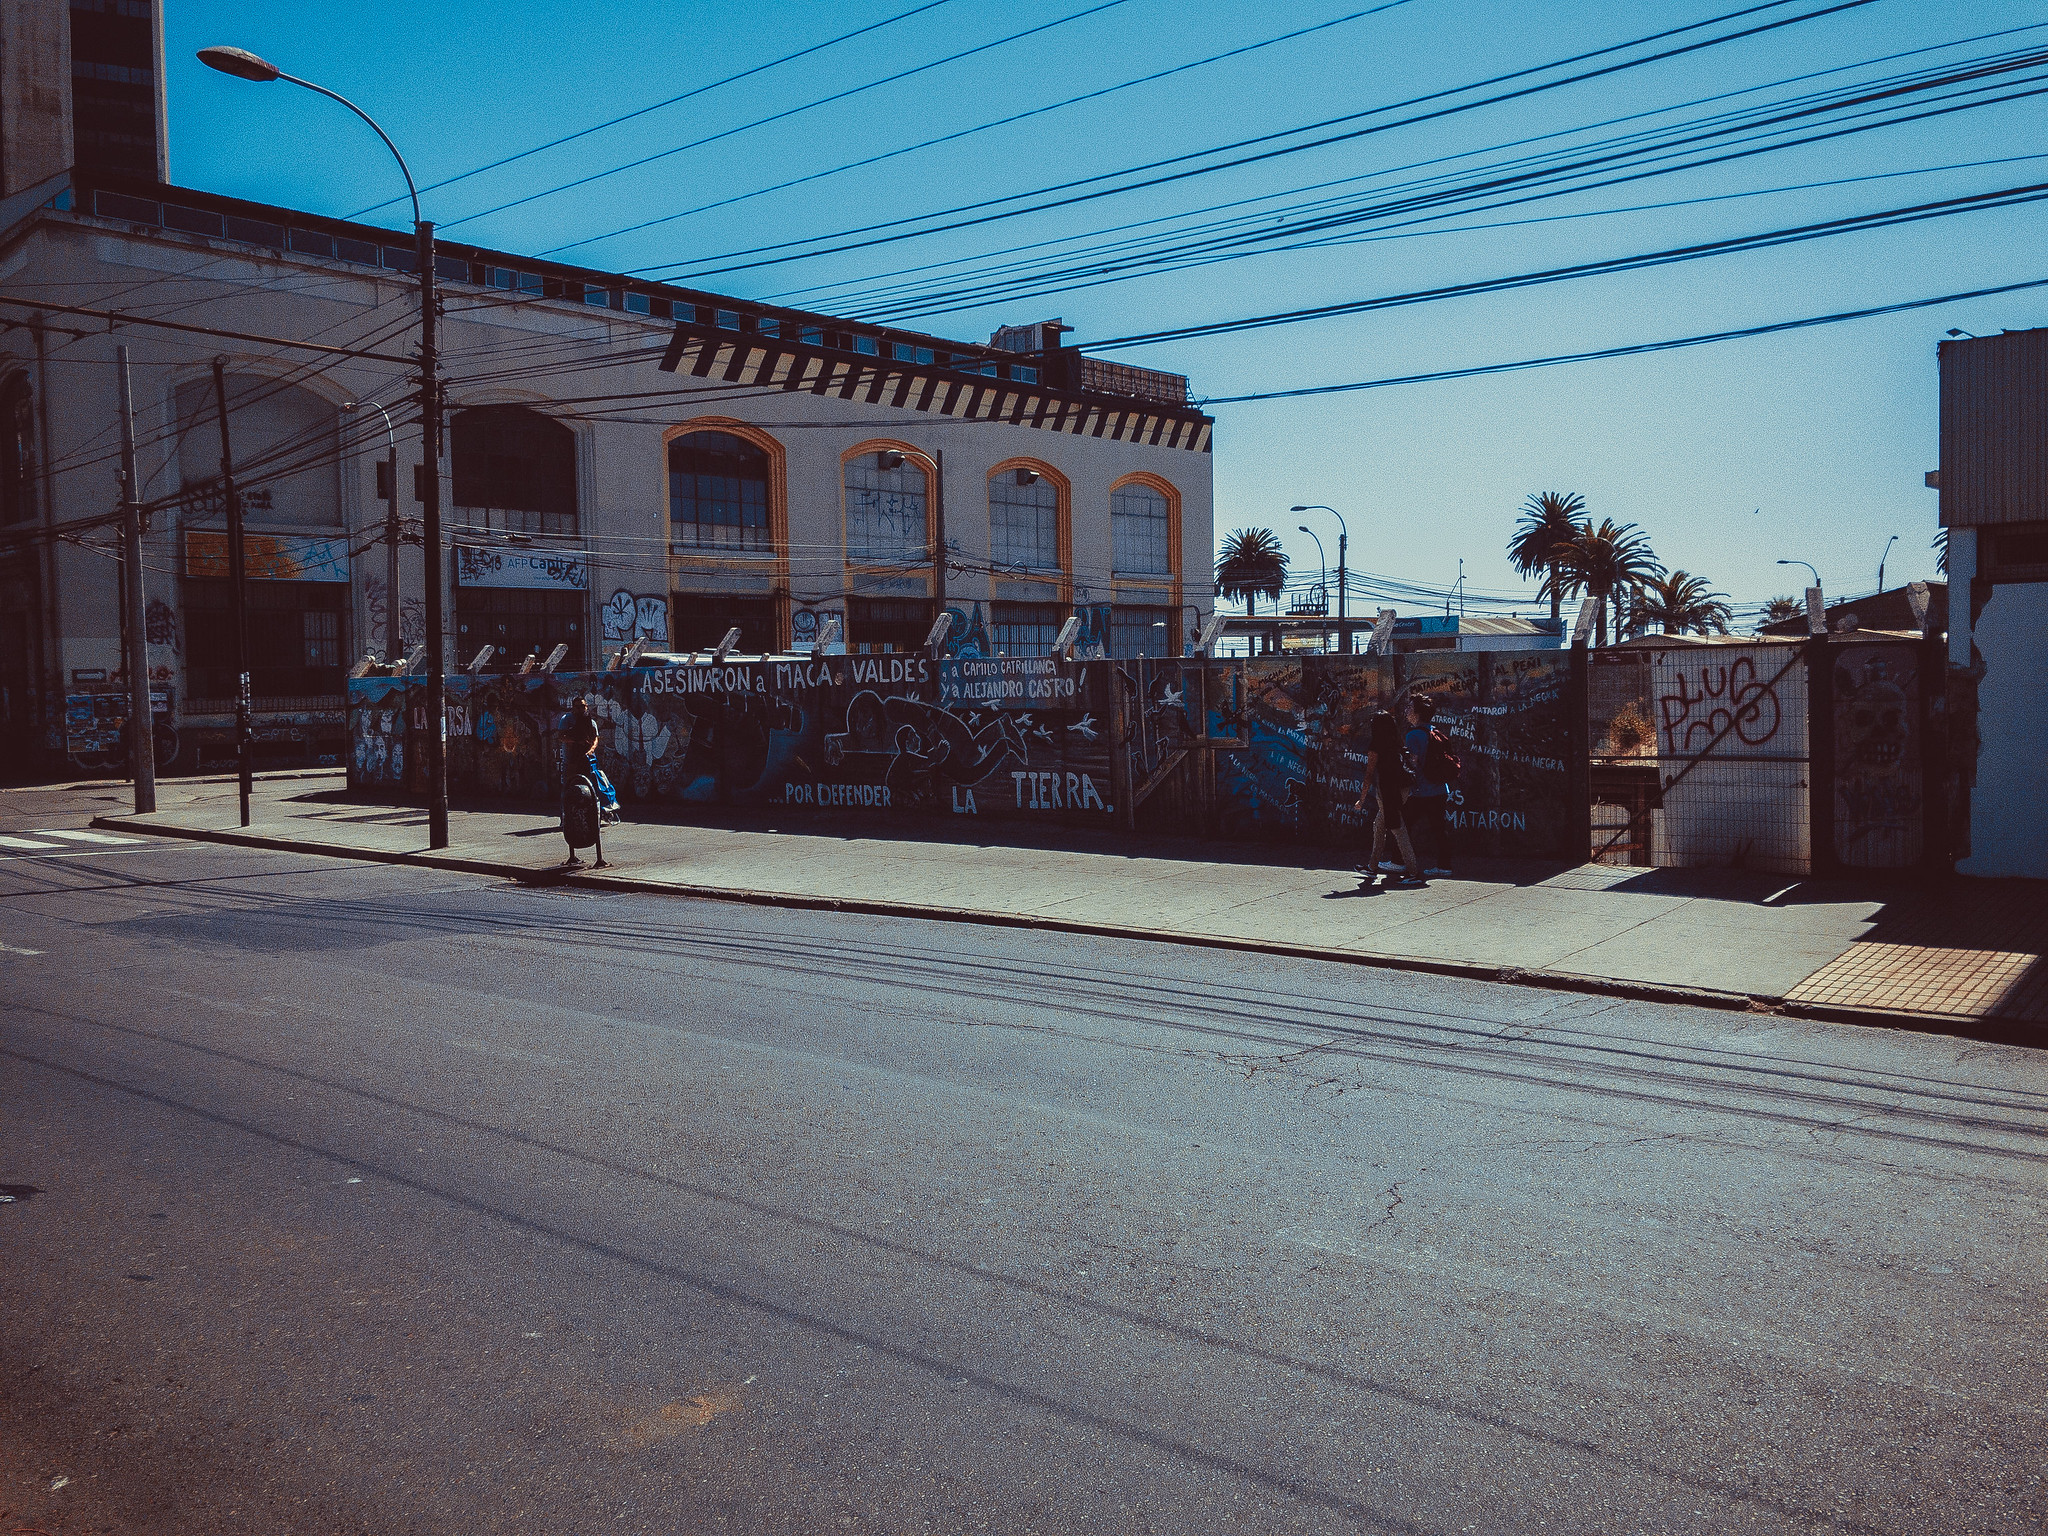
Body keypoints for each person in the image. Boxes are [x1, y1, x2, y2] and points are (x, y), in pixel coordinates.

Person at [1356, 708, 1425, 887]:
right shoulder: (1396, 742)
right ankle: (1372, 867)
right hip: (1402, 789)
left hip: (1387, 791)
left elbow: (1369, 774)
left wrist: (1361, 800)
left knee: (1397, 829)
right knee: (1379, 825)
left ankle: (1413, 871)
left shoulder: (1376, 744)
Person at [1403, 695, 1452, 877]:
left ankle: (1398, 861)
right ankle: (1444, 865)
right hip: (1439, 788)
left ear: (1417, 713)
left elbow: (1412, 765)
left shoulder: (1413, 735)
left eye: (1410, 707)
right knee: (1439, 829)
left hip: (1421, 790)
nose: (1407, 710)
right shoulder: (1434, 732)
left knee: (1402, 825)